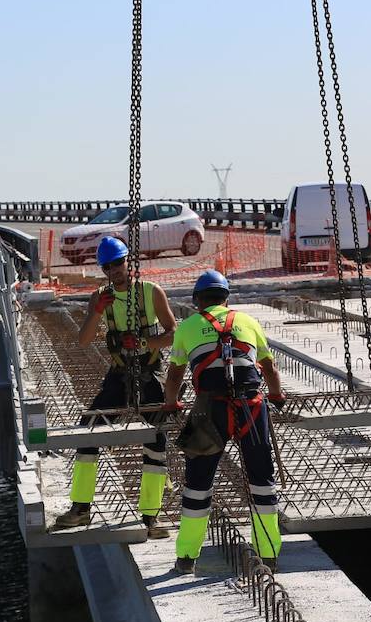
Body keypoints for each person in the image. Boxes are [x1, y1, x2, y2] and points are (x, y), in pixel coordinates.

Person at [162, 270, 287, 574]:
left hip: (210, 411)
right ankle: (268, 556)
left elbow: (175, 374)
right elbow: (268, 367)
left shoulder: (188, 326)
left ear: (197, 301)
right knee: (261, 482)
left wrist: (171, 404)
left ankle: (187, 557)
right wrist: (276, 396)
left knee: (198, 484)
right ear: (226, 298)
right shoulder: (247, 322)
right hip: (251, 409)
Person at [53, 236, 178, 538]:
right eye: (108, 267)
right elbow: (83, 341)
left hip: (150, 373)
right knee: (89, 430)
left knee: (156, 437)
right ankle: (81, 509)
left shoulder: (151, 292)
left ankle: (151, 515)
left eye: (119, 263)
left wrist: (146, 342)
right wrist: (97, 311)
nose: (115, 271)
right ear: (103, 269)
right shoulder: (99, 297)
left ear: (128, 262)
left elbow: (174, 333)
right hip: (119, 374)